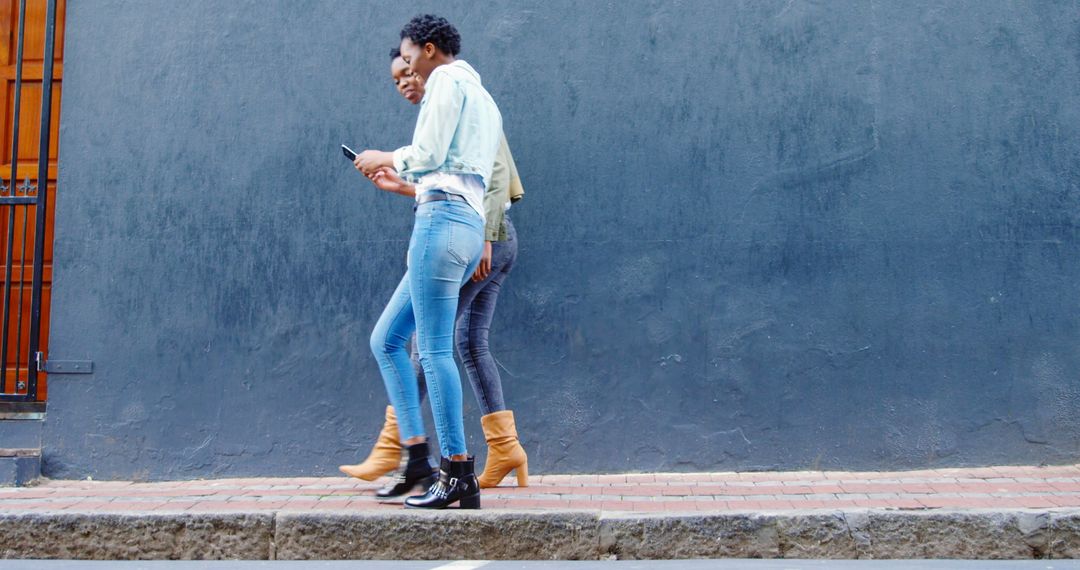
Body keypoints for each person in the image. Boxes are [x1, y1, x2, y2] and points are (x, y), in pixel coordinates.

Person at [339, 47, 528, 491]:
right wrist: (404, 186)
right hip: (480, 231)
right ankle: (500, 448)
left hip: (485, 235)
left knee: (428, 344)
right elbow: (450, 178)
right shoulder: (450, 109)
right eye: (396, 78)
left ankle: (416, 452)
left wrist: (484, 236)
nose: (406, 80)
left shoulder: (457, 98)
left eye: (409, 70)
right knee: (464, 342)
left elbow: (492, 174)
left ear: (427, 64)